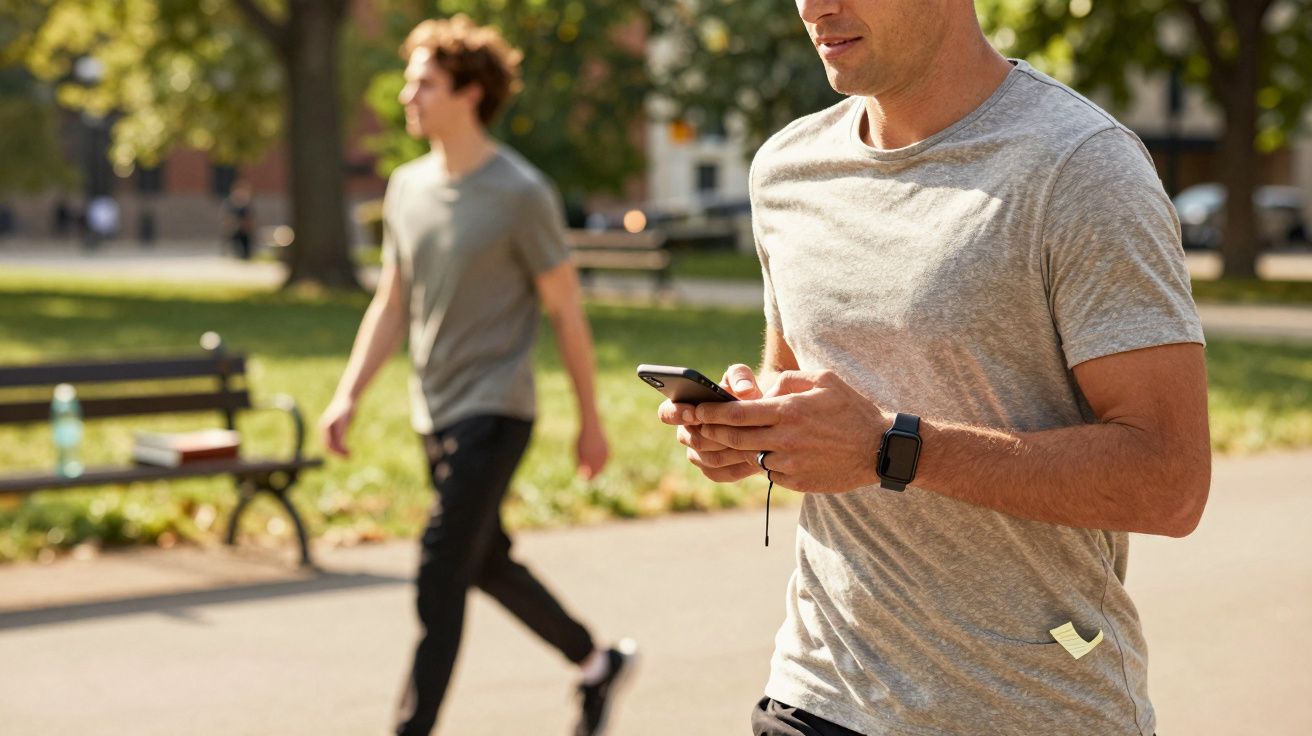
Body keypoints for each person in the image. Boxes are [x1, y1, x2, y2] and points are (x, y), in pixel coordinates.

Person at [659, 2, 1209, 735]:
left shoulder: (1082, 166)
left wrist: (890, 448)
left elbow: (1170, 481)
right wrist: (746, 429)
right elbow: (800, 392)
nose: (817, 6)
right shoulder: (786, 170)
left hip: (1028, 709)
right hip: (818, 690)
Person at [317, 16, 635, 736]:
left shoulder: (521, 193)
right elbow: (392, 302)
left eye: (423, 83)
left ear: (468, 93)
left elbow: (566, 312)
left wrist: (590, 419)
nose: (407, 96)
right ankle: (596, 661)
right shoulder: (405, 188)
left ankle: (411, 727)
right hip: (433, 410)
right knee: (484, 561)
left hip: (497, 412)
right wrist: (348, 394)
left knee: (439, 568)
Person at [223, 181, 255, 259]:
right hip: (236, 227)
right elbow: (228, 215)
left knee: (246, 242)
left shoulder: (247, 202)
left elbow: (249, 216)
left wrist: (249, 225)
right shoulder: (232, 202)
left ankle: (246, 256)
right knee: (235, 241)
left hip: (244, 227)